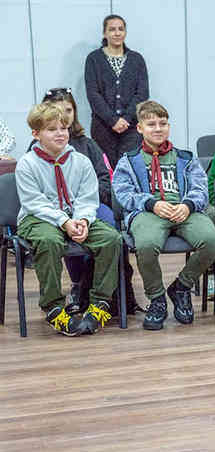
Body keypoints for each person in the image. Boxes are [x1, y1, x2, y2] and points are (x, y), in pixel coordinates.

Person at [113, 100, 215, 331]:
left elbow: (201, 188)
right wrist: (151, 203)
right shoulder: (129, 160)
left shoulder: (185, 157)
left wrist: (188, 205)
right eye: (151, 124)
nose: (158, 128)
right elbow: (123, 192)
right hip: (148, 212)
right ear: (140, 128)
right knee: (146, 244)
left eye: (163, 123)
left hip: (184, 211)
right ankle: (157, 298)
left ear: (169, 127)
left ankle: (181, 286)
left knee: (212, 241)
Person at [15, 103, 121, 336]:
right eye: (52, 129)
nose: (60, 133)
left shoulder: (80, 161)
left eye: (64, 128)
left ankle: (100, 304)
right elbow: (34, 202)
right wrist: (64, 222)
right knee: (49, 241)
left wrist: (82, 220)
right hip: (38, 218)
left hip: (75, 216)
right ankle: (54, 308)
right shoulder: (27, 164)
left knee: (111, 238)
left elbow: (88, 197)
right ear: (36, 134)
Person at [34, 87, 140, 317]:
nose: (65, 115)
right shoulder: (35, 153)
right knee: (67, 233)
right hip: (54, 210)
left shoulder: (87, 145)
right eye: (59, 111)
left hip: (89, 203)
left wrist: (85, 205)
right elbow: (38, 195)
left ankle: (116, 291)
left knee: (109, 225)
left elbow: (104, 178)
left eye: (69, 110)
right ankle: (79, 285)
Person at [85, 14, 149, 169]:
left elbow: (142, 93)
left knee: (129, 168)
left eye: (121, 29)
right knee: (107, 170)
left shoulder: (136, 59)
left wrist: (126, 118)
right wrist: (113, 120)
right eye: (112, 29)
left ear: (125, 32)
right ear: (105, 33)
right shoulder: (94, 59)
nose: (117, 33)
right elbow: (93, 94)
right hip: (103, 127)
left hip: (132, 126)